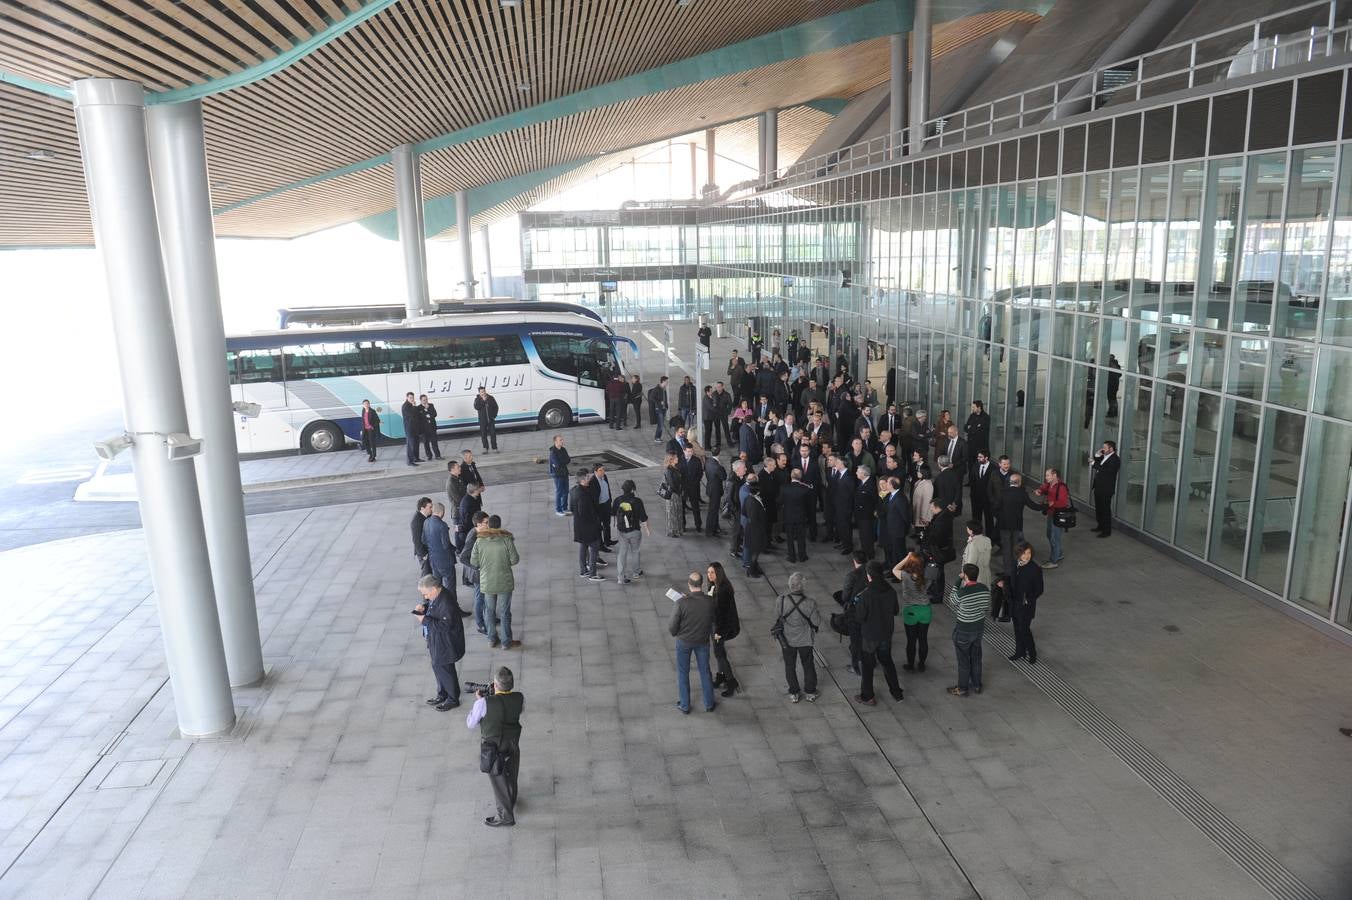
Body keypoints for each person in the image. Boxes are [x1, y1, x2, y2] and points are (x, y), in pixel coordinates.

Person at [465, 666, 523, 827]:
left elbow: (471, 724)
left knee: (498, 780)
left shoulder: (483, 703)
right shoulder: (519, 697)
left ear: (495, 685)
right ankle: (512, 798)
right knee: (512, 773)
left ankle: (505, 817)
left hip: (493, 747)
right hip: (512, 742)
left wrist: (478, 703)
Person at [414, 573, 465, 711]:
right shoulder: (437, 596)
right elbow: (433, 605)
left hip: (446, 644)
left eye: (426, 594)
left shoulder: (447, 602)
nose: (425, 597)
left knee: (446, 670)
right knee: (438, 667)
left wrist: (424, 620)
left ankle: (453, 699)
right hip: (437, 641)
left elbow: (445, 626)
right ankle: (442, 694)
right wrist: (424, 607)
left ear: (434, 589)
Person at [855, 561, 904, 705]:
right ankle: (897, 693)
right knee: (887, 661)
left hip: (870, 636)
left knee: (868, 665)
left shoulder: (866, 594)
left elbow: (860, 617)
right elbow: (895, 611)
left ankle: (868, 696)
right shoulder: (890, 590)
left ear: (869, 576)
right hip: (886, 634)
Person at [670, 572, 717, 714]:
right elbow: (713, 620)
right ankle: (709, 703)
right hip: (702, 641)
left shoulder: (681, 603)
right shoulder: (710, 601)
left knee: (683, 672)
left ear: (689, 585)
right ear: (702, 584)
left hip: (684, 641)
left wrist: (676, 633)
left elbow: (672, 626)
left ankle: (685, 705)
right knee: (705, 671)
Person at [471, 514, 520, 649]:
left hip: (487, 582)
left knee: (489, 611)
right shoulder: (506, 539)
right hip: (504, 582)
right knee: (504, 612)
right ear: (499, 525)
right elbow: (515, 559)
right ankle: (506, 642)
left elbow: (473, 562)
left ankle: (492, 638)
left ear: (488, 525)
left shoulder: (479, 541)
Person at [775, 572, 822, 703]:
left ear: (790, 585)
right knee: (808, 665)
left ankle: (794, 693)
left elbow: (778, 615)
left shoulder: (781, 600)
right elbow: (816, 622)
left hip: (787, 640)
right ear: (803, 586)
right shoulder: (810, 603)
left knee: (790, 666)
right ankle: (810, 692)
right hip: (805, 640)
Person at [947, 564, 991, 697]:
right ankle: (977, 685)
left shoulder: (962, 592)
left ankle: (962, 688)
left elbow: (951, 601)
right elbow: (986, 607)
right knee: (976, 657)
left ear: (965, 575)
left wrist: (957, 582)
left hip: (964, 630)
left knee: (963, 660)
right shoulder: (984, 588)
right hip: (978, 628)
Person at [999, 542, 1043, 664]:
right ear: (1018, 554)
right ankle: (1020, 651)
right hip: (1014, 603)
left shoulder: (1035, 569)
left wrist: (1028, 599)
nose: (1026, 556)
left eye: (1028, 553)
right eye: (1024, 553)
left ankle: (1032, 653)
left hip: (1026, 606)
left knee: (1024, 630)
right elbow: (1011, 581)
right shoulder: (1015, 564)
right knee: (1017, 629)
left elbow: (1039, 589)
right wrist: (1004, 585)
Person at [994, 473, 1040, 579]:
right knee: (1015, 548)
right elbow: (1033, 506)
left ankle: (1007, 572)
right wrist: (1046, 506)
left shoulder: (1003, 492)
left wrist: (1000, 518)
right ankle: (1014, 570)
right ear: (1019, 482)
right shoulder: (1022, 493)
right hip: (1017, 525)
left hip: (1004, 525)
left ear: (1010, 482)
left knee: (1006, 549)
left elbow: (995, 507)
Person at [891, 552, 930, 674]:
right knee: (923, 639)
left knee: (911, 640)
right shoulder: (928, 575)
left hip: (910, 611)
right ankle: (922, 664)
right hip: (925, 610)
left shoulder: (905, 575)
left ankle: (910, 664)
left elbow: (894, 569)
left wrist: (906, 557)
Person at [706, 562, 741, 697]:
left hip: (720, 627)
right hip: (716, 624)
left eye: (712, 572)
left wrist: (718, 633)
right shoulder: (716, 585)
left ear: (718, 573)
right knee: (719, 652)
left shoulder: (723, 591)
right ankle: (721, 676)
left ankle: (731, 681)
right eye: (708, 572)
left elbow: (723, 614)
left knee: (719, 654)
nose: (709, 575)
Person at [612, 479, 650, 584]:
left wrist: (617, 524)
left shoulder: (617, 500)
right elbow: (643, 517)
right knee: (635, 551)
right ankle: (636, 572)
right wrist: (647, 529)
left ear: (622, 489)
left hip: (622, 532)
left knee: (622, 553)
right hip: (635, 531)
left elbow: (613, 514)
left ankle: (620, 577)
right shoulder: (637, 501)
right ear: (633, 489)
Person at [570, 469, 604, 581]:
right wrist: (595, 522)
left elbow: (571, 508)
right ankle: (593, 574)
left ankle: (583, 570)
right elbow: (585, 513)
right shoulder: (583, 494)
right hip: (588, 528)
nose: (590, 478)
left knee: (583, 547)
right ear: (583, 480)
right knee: (594, 548)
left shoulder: (573, 490)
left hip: (579, 526)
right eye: (588, 477)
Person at [459, 511, 489, 636]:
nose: (488, 525)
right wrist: (477, 567)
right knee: (479, 598)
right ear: (478, 524)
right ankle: (480, 623)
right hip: (477, 574)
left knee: (485, 596)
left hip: (482, 572)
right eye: (486, 523)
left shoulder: (479, 532)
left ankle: (488, 617)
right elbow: (463, 557)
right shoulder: (472, 537)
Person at [839, 551, 869, 674]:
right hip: (869, 609)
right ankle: (870, 660)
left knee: (855, 640)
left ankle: (855, 666)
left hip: (855, 611)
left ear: (854, 561)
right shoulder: (872, 572)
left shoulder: (852, 575)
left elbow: (845, 596)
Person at [1035, 467, 1070, 568]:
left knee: (1055, 537)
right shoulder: (1050, 484)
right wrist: (1040, 491)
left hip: (1057, 515)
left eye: (1047, 475)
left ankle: (1053, 561)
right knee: (1050, 534)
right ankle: (1058, 553)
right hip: (1051, 514)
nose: (1046, 477)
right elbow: (1043, 488)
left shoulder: (1061, 487)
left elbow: (1063, 502)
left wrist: (1051, 503)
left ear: (1054, 475)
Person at [923, 498, 955, 604]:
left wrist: (928, 534)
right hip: (936, 550)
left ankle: (937, 596)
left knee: (938, 574)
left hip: (938, 551)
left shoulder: (942, 520)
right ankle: (932, 590)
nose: (930, 509)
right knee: (933, 570)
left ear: (937, 507)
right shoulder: (941, 515)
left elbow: (938, 537)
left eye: (931, 507)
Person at [781, 467, 814, 563]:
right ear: (800, 477)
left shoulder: (784, 488)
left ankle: (791, 557)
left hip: (788, 516)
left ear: (791, 476)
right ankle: (802, 556)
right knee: (801, 537)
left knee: (790, 537)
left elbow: (779, 501)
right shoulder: (806, 489)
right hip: (801, 516)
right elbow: (809, 505)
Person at [423, 502, 456, 589]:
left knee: (437, 586)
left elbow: (423, 540)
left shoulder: (426, 522)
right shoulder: (442, 525)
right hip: (445, 561)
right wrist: (456, 550)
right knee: (450, 586)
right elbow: (446, 545)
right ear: (441, 512)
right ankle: (451, 602)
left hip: (433, 560)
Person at [1091, 441, 1120, 537]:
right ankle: (1100, 525)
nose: (1103, 449)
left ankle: (1106, 531)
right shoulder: (1105, 456)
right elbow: (1098, 463)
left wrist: (1094, 463)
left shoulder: (1115, 459)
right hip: (1099, 487)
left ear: (1111, 449)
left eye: (1105, 447)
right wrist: (1097, 455)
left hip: (1106, 489)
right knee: (1099, 508)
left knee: (1105, 510)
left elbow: (1107, 471)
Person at [880, 475, 908, 571]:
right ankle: (894, 570)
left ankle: (900, 573)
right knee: (894, 552)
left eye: (887, 482)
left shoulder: (900, 498)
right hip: (891, 529)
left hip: (898, 531)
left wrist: (905, 530)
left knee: (899, 553)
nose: (885, 484)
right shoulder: (891, 495)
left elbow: (906, 516)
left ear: (891, 485)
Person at [741, 479, 767, 577]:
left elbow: (743, 512)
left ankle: (754, 568)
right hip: (755, 530)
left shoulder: (748, 498)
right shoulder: (754, 502)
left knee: (756, 550)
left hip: (751, 528)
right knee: (755, 551)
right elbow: (754, 518)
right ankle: (751, 571)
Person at [969, 451, 996, 539]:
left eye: (980, 457)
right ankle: (977, 536)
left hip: (988, 499)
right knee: (976, 518)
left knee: (989, 519)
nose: (978, 458)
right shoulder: (975, 465)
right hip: (976, 498)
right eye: (978, 457)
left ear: (986, 458)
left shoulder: (993, 468)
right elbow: (972, 481)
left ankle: (989, 539)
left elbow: (995, 485)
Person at [961, 519, 993, 588]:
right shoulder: (987, 540)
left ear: (971, 531)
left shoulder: (973, 544)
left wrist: (965, 575)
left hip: (974, 577)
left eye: (967, 528)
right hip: (985, 573)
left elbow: (971, 564)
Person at [593, 462, 616, 548]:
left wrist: (610, 500)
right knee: (599, 527)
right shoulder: (593, 481)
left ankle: (608, 541)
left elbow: (608, 488)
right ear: (595, 472)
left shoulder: (605, 477)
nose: (603, 472)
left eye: (603, 470)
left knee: (607, 523)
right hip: (599, 507)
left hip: (606, 504)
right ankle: (601, 545)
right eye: (600, 470)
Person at [727, 459, 747, 559]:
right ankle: (733, 550)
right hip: (737, 510)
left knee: (740, 530)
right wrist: (735, 509)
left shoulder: (741, 478)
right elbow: (729, 498)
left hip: (741, 508)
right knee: (736, 531)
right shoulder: (732, 481)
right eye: (744, 468)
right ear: (738, 469)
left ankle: (738, 546)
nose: (746, 469)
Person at [662, 452, 685, 538]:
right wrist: (678, 491)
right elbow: (672, 484)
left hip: (677, 493)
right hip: (673, 495)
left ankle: (677, 529)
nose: (677, 459)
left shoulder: (675, 468)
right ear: (671, 460)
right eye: (676, 458)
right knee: (672, 513)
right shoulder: (669, 470)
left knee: (677, 512)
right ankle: (673, 531)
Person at [703, 452, 726, 537]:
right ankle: (710, 531)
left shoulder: (708, 461)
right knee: (713, 511)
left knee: (714, 510)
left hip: (710, 488)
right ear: (719, 454)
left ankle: (715, 527)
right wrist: (721, 466)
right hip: (716, 491)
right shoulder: (718, 467)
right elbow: (724, 477)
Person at [681, 445, 703, 532]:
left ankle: (698, 525)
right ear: (684, 451)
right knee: (682, 508)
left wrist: (695, 482)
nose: (690, 453)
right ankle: (683, 526)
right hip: (683, 488)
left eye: (691, 451)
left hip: (694, 488)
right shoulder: (679, 460)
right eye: (688, 451)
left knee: (695, 507)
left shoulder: (696, 460)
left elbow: (700, 474)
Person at [548, 435, 571, 516]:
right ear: (555, 442)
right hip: (557, 475)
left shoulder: (563, 449)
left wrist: (561, 462)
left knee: (566, 491)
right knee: (559, 492)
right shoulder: (553, 452)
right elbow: (557, 464)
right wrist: (562, 462)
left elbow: (568, 459)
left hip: (564, 472)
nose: (562, 441)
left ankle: (564, 508)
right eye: (560, 440)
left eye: (562, 440)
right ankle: (558, 510)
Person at [457, 483, 484, 551]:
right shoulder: (468, 503)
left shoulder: (471, 498)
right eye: (478, 489)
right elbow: (467, 521)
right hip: (469, 532)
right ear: (474, 491)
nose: (479, 490)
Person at [963, 400, 990, 469]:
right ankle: (971, 479)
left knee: (979, 465)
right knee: (970, 464)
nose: (972, 408)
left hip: (980, 447)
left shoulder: (986, 417)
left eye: (973, 407)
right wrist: (974, 427)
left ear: (979, 407)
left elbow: (980, 431)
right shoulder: (972, 415)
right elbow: (965, 427)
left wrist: (971, 427)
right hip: (970, 446)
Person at [411, 497, 433, 577]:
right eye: (430, 507)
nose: (432, 509)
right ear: (422, 508)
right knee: (426, 574)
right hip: (424, 553)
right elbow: (416, 540)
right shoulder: (416, 521)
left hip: (429, 550)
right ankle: (424, 588)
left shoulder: (427, 516)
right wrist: (424, 555)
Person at [474, 387, 499, 452]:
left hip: (491, 419)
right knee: (483, 434)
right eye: (481, 392)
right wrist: (483, 401)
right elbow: (476, 407)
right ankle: (485, 448)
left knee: (493, 434)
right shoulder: (477, 399)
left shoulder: (491, 398)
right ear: (479, 392)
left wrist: (494, 416)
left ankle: (494, 448)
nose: (483, 393)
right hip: (482, 420)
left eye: (484, 391)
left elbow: (496, 407)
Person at [401, 391, 422, 466]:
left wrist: (414, 406)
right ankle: (410, 461)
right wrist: (414, 406)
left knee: (416, 443)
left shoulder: (412, 405)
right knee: (411, 445)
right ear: (407, 398)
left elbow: (417, 414)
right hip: (409, 429)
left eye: (413, 397)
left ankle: (416, 458)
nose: (412, 399)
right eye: (410, 398)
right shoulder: (405, 406)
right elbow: (412, 415)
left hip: (415, 428)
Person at [418, 394, 442, 461]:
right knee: (426, 443)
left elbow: (434, 414)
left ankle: (438, 455)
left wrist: (427, 411)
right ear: (421, 400)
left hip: (432, 427)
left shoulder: (431, 405)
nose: (425, 401)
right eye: (424, 400)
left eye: (426, 399)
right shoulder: (418, 408)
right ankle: (429, 456)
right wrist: (427, 413)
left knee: (434, 442)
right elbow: (420, 417)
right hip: (424, 429)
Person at [649, 376, 670, 443]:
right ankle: (657, 437)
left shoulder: (664, 389)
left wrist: (666, 406)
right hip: (659, 409)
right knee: (660, 424)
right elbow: (651, 397)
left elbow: (665, 398)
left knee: (660, 424)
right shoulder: (657, 389)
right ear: (663, 381)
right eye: (667, 381)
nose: (667, 383)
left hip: (663, 409)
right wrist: (659, 402)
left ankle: (658, 437)